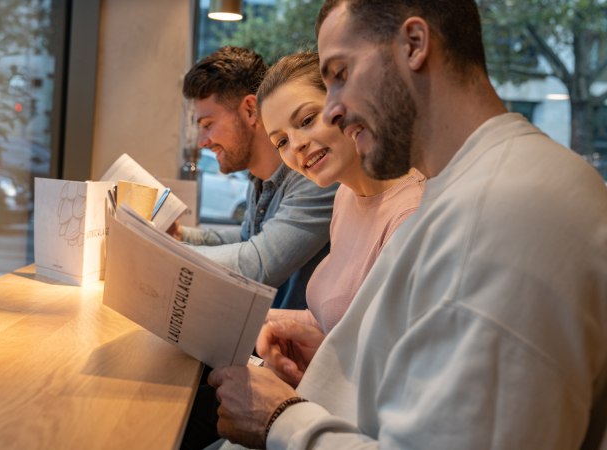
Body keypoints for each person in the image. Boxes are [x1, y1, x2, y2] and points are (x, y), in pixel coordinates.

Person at [206, 1, 607, 449]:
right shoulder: (459, 188)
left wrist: (278, 419)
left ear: (414, 45)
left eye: (340, 75)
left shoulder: (505, 212)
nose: (333, 109)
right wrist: (339, 358)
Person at [256, 51, 424, 350]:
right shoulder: (346, 195)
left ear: (346, 105)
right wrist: (250, 320)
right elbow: (331, 323)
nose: (296, 145)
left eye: (307, 120)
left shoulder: (410, 216)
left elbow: (390, 366)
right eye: (281, 141)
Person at [172, 46, 338, 311]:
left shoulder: (317, 175)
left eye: (207, 125)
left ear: (250, 110)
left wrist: (159, 254)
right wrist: (182, 235)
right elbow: (249, 238)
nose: (203, 142)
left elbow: (257, 263)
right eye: (282, 140)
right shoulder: (259, 178)